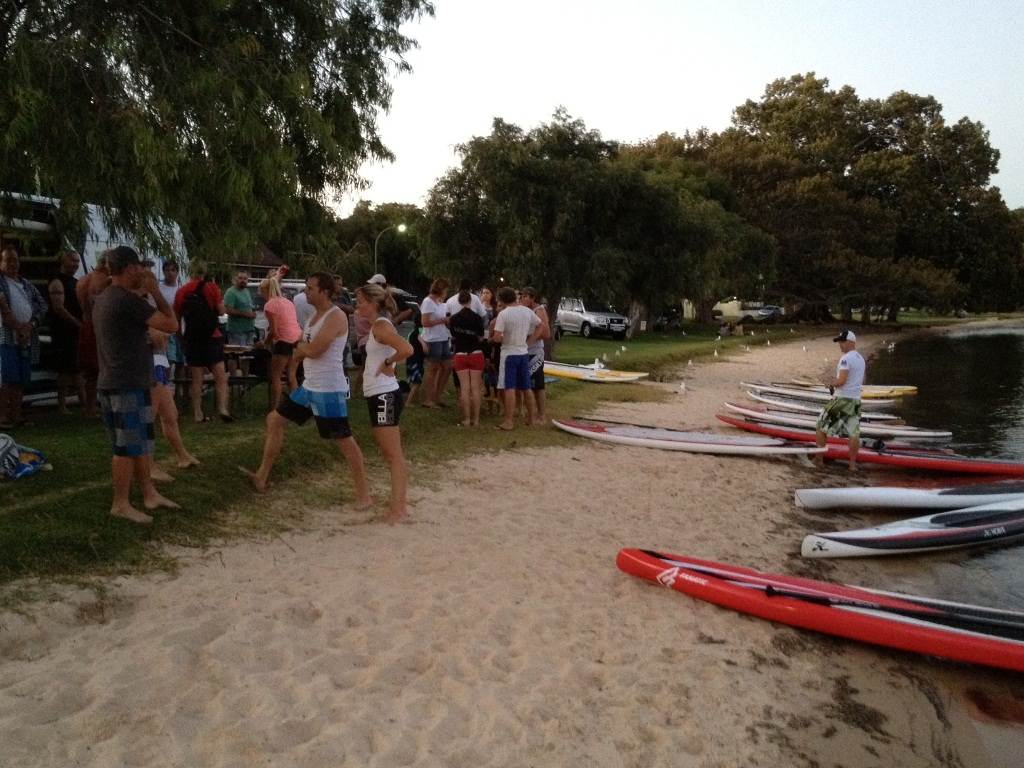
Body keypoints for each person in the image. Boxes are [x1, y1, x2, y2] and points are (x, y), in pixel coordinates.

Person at [239, 272, 371, 509]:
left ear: (325, 292)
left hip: (329, 389)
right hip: (310, 386)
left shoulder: (336, 316)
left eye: (310, 288)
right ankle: (261, 475)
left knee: (344, 441)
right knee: (274, 420)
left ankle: (364, 494)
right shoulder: (314, 316)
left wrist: (300, 350)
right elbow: (300, 345)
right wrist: (299, 353)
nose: (306, 292)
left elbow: (313, 350)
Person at [92, 246, 180, 523]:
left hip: (119, 379)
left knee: (140, 443)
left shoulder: (105, 297)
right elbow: (171, 325)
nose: (143, 272)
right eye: (139, 267)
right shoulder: (126, 300)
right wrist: (154, 292)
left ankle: (149, 494)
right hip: (125, 383)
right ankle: (120, 503)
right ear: (130, 268)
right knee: (126, 447)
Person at [355, 282, 414, 522]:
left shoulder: (380, 327)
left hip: (384, 395)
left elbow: (406, 348)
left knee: (393, 454)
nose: (357, 305)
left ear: (372, 303)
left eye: (360, 301)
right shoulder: (377, 326)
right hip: (379, 394)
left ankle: (398, 509)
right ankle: (397, 505)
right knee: (389, 453)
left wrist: (389, 363)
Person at [174, 261, 232, 423]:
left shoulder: (182, 292)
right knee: (220, 376)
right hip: (212, 336)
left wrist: (181, 337)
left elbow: (177, 317)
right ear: (204, 272)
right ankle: (222, 408)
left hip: (192, 338)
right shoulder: (211, 288)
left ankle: (198, 413)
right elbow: (221, 311)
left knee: (197, 378)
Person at [0, 246, 48, 428]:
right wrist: (18, 327)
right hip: (6, 337)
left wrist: (31, 325)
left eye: (15, 260)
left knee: (20, 379)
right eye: (8, 260)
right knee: (6, 378)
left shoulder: (26, 284)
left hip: (26, 337)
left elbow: (42, 305)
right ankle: (3, 417)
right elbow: (3, 308)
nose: (13, 264)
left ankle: (17, 416)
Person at [149, 328, 199, 477]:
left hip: (158, 362)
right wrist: (164, 334)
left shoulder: (151, 310)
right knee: (147, 418)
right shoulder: (142, 310)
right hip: (149, 364)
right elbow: (158, 338)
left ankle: (183, 455)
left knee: (170, 414)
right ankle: (149, 465)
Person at [815, 329, 865, 471]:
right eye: (839, 342)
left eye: (842, 342)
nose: (840, 345)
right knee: (854, 432)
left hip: (842, 399)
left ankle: (819, 459)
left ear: (851, 342)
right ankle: (852, 465)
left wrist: (831, 382)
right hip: (855, 400)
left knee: (820, 426)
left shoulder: (845, 359)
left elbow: (841, 381)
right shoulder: (860, 359)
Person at [491, 286, 541, 430]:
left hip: (509, 353)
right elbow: (540, 325)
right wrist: (529, 340)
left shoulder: (504, 314)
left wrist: (501, 337)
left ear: (501, 300)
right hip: (523, 352)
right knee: (526, 387)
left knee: (510, 387)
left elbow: (496, 337)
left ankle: (509, 421)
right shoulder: (526, 311)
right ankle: (531, 418)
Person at [46, 249, 85, 414]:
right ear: (63, 261)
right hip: (63, 331)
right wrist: (76, 322)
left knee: (77, 368)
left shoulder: (75, 282)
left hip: (76, 331)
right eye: (72, 261)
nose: (75, 264)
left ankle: (84, 402)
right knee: (63, 370)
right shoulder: (57, 281)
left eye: (77, 261)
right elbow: (58, 307)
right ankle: (61, 405)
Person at [76, 252, 112, 417]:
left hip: (85, 324)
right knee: (99, 369)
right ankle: (95, 406)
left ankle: (89, 405)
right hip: (98, 327)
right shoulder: (104, 280)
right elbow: (95, 301)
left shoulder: (83, 279)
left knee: (90, 371)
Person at [258, 275, 302, 410]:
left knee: (275, 376)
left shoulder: (270, 305)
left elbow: (274, 331)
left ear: (265, 290)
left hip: (283, 341)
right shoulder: (288, 302)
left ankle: (276, 407)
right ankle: (297, 407)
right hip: (297, 339)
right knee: (291, 375)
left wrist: (265, 342)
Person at [449, 289, 486, 426]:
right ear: (470, 301)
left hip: (460, 354)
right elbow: (481, 336)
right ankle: (476, 420)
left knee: (464, 388)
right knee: (475, 388)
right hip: (476, 353)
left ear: (459, 301)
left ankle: (466, 418)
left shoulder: (454, 318)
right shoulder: (477, 318)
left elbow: (453, 335)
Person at [519, 286, 551, 424]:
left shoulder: (539, 310)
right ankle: (531, 412)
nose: (523, 299)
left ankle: (542, 414)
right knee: (527, 384)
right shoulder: (524, 310)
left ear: (532, 298)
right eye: (522, 296)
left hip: (535, 351)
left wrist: (530, 339)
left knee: (537, 385)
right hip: (525, 351)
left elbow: (546, 332)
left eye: (526, 296)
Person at [419, 278, 452, 408]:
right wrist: (443, 320)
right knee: (433, 369)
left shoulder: (440, 303)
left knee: (447, 366)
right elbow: (425, 322)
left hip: (443, 337)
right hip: (433, 339)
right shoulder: (427, 302)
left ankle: (438, 395)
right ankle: (429, 398)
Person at [157, 261, 184, 384]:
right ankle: (165, 385)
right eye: (167, 270)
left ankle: (179, 389)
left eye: (173, 270)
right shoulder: (159, 289)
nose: (170, 273)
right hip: (166, 329)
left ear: (177, 272)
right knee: (169, 360)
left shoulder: (181, 289)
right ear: (163, 272)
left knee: (181, 361)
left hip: (181, 329)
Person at [223, 270, 256, 349]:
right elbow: (228, 310)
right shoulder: (231, 292)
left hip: (249, 329)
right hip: (237, 331)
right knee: (238, 356)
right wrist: (246, 314)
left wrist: (253, 313)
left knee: (248, 356)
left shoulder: (246, 291)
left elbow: (248, 307)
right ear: (235, 279)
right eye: (240, 278)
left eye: (245, 279)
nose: (243, 281)